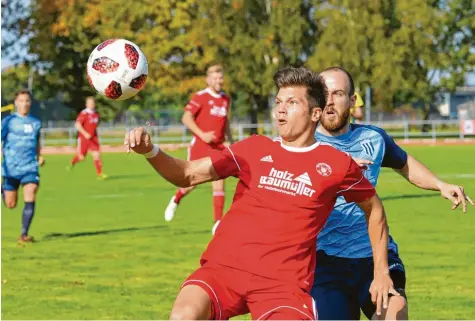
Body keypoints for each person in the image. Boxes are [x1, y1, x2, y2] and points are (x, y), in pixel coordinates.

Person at [125, 67, 397, 320]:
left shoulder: (336, 164)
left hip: (281, 288)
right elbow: (186, 174)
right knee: (183, 315)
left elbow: (374, 211)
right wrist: (150, 151)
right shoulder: (253, 149)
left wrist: (381, 270)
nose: (280, 110)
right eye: (278, 102)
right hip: (222, 273)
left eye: (292, 103)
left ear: (315, 113)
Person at [311, 66, 475, 320]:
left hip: (373, 254)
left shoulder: (373, 139)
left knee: (394, 313)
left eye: (338, 93)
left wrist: (440, 185)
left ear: (352, 101)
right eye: (323, 93)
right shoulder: (304, 145)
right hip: (324, 260)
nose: (330, 101)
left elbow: (404, 163)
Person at [164, 64, 234, 234]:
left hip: (218, 148)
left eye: (221, 77)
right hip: (200, 146)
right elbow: (186, 118)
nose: (219, 80)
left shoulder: (225, 99)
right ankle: (176, 199)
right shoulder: (200, 97)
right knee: (191, 182)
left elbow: (226, 122)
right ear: (208, 79)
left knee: (219, 184)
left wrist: (231, 141)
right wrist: (202, 135)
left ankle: (217, 223)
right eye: (215, 77)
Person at [1, 89, 44, 243]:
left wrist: (39, 156)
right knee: (10, 204)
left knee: (31, 191)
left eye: (27, 101)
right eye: (21, 101)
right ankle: (3, 189)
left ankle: (24, 235)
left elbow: (37, 141)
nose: (25, 104)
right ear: (16, 103)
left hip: (29, 167)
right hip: (10, 168)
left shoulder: (36, 122)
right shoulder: (8, 121)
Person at [67, 96, 107, 179]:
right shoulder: (83, 113)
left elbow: (95, 125)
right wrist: (85, 134)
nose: (92, 104)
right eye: (90, 103)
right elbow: (77, 125)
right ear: (86, 104)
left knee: (97, 155)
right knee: (81, 157)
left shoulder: (96, 114)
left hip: (94, 138)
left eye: (93, 103)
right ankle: (72, 162)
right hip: (84, 139)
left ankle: (99, 174)